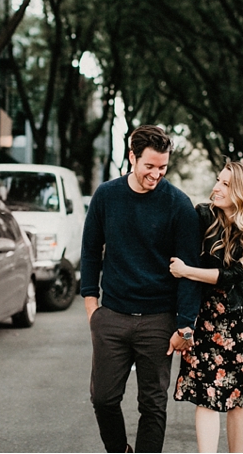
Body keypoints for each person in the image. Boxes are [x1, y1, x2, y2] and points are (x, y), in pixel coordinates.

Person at [80, 125, 202, 453]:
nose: (156, 174)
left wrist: (185, 326)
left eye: (162, 168)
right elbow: (90, 250)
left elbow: (189, 270)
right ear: (132, 157)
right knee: (103, 398)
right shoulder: (107, 196)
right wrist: (92, 308)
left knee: (153, 405)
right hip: (113, 316)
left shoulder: (178, 204)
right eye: (149, 166)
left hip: (159, 320)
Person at [170, 161, 243, 453]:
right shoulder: (202, 215)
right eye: (218, 180)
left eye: (225, 184)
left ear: (241, 190)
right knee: (207, 394)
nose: (216, 187)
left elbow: (234, 277)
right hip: (205, 318)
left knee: (240, 396)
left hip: (241, 319)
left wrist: (187, 271)